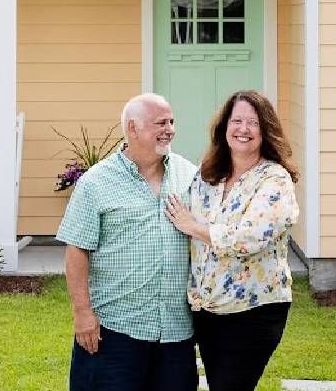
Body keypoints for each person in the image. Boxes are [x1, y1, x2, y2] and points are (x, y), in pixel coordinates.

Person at [56, 93, 198, 391]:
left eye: (172, 121)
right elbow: (77, 249)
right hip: (115, 330)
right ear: (133, 129)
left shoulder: (189, 174)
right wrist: (83, 314)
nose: (170, 129)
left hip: (176, 331)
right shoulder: (96, 182)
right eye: (160, 122)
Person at [165, 90, 299, 391]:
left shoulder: (274, 180)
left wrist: (193, 226)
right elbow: (175, 209)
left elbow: (248, 239)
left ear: (265, 130)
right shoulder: (208, 175)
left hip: (254, 311)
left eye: (253, 122)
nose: (243, 129)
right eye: (236, 120)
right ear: (224, 127)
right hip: (208, 309)